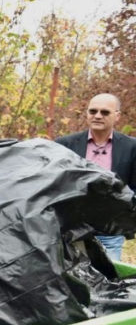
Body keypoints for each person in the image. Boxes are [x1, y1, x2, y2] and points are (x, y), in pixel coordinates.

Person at [54, 93, 136, 260]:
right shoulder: (65, 144)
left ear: (117, 116)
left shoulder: (131, 147)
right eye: (93, 111)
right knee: (70, 273)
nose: (98, 116)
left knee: (108, 272)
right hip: (71, 228)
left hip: (110, 230)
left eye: (105, 112)